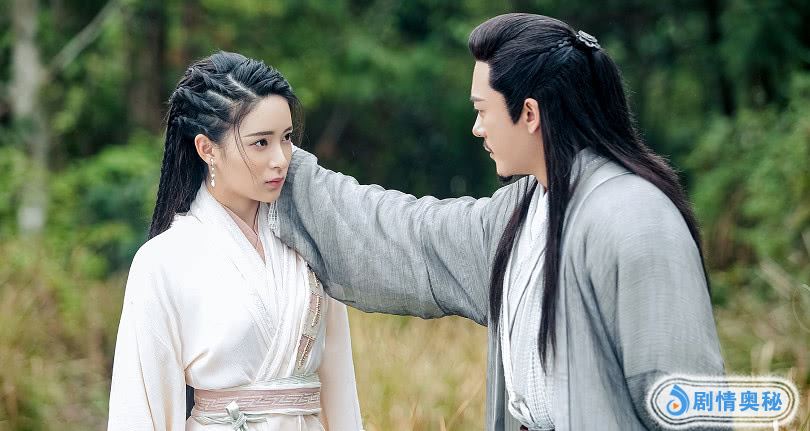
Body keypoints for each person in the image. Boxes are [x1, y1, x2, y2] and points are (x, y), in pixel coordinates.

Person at [274, 14, 724, 431]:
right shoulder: (520, 211)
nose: (477, 128)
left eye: (482, 109)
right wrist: (282, 164)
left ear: (529, 114)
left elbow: (685, 400)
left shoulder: (637, 220)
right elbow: (411, 235)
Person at [108, 51, 363, 430]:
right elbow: (139, 411)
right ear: (207, 148)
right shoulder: (163, 261)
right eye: (261, 143)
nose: (281, 159)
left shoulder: (309, 242)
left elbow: (340, 386)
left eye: (286, 138)